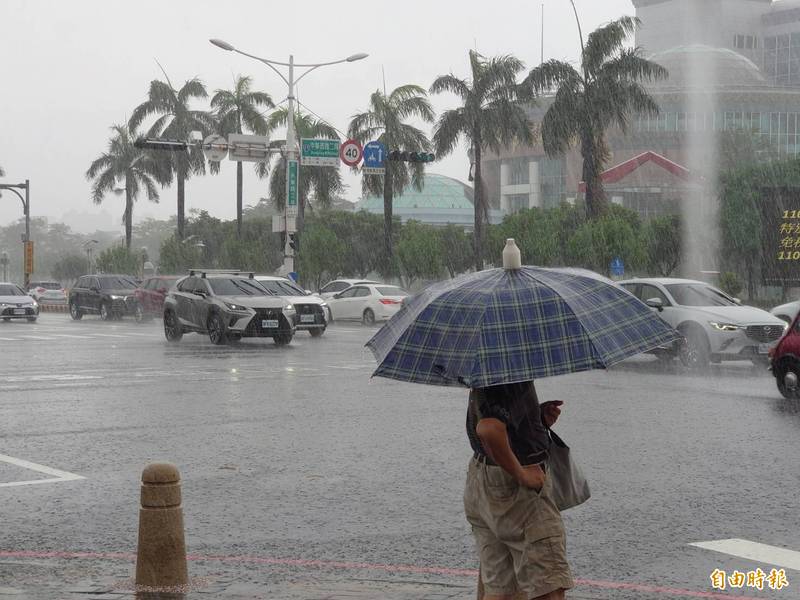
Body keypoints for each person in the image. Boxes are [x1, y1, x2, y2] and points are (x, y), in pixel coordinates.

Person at [464, 380, 574, 600]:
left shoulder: (488, 367)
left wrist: (532, 419)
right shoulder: (508, 368)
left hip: (484, 479)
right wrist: (522, 474)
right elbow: (489, 429)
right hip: (516, 492)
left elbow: (495, 419)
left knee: (502, 589)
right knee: (548, 586)